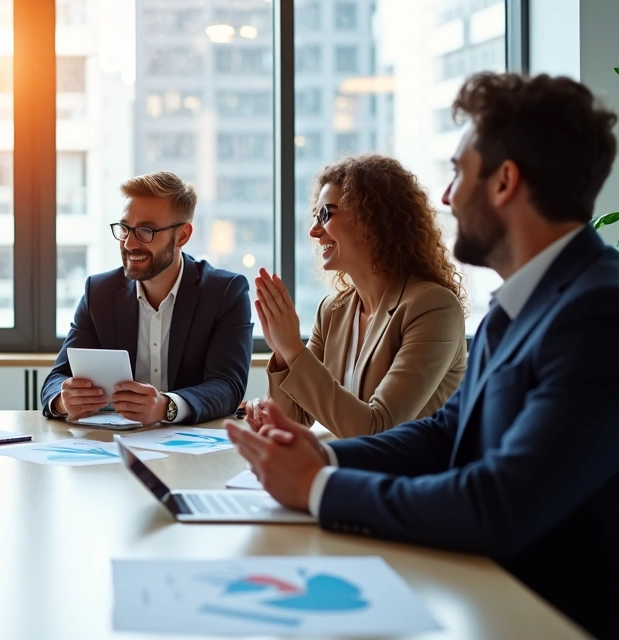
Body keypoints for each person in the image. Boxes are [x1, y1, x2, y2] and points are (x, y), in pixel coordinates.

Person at [227, 72, 619, 637]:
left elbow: (496, 505)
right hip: (481, 592)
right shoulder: (516, 308)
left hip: (545, 617)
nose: (445, 197)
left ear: (506, 181)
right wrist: (322, 457)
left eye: (458, 173)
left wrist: (317, 486)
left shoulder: (597, 314)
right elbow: (443, 436)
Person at [244, 155, 468, 438]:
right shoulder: (333, 310)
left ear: (372, 217)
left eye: (325, 214)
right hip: (352, 473)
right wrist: (281, 350)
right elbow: (294, 419)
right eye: (315, 217)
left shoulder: (433, 307)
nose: (314, 231)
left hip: (410, 479)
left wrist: (293, 351)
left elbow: (379, 429)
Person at [41, 171, 252, 425]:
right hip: (108, 445)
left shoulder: (225, 292)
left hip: (191, 449)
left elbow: (228, 386)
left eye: (146, 231)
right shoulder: (100, 292)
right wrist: (64, 401)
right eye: (125, 229)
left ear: (182, 235)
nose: (130, 244)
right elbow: (56, 379)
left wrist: (166, 406)